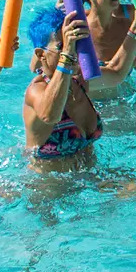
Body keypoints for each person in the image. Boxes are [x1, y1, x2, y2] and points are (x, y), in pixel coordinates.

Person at [24, 10, 102, 169]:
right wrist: (67, 54)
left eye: (74, 45)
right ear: (41, 54)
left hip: (89, 180)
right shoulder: (36, 91)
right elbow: (50, 115)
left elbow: (118, 72)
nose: (72, 51)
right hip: (49, 189)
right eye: (62, 46)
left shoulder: (79, 82)